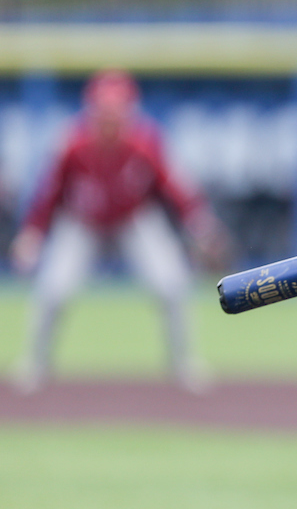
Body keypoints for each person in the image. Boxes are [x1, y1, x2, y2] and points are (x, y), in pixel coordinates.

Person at [8, 70, 228, 393]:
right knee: (53, 290)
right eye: (104, 111)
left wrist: (202, 226)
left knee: (171, 285)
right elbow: (49, 194)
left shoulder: (145, 142)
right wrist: (32, 234)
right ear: (92, 111)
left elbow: (175, 188)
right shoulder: (72, 143)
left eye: (117, 111)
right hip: (81, 222)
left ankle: (184, 364)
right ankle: (35, 363)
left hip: (133, 218)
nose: (110, 119)